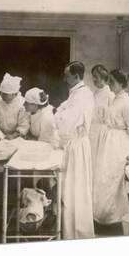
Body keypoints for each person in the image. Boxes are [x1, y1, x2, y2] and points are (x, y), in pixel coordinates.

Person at [93, 69, 129, 225]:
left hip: (119, 144)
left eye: (112, 82)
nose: (109, 84)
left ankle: (117, 218)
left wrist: (120, 140)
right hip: (110, 141)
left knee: (114, 180)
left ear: (121, 83)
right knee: (104, 178)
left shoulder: (127, 102)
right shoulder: (115, 99)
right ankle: (104, 217)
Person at [55, 61, 95, 239]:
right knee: (70, 190)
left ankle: (77, 234)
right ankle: (69, 231)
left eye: (67, 75)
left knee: (75, 190)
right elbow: (61, 110)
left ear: (77, 76)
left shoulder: (82, 96)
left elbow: (65, 122)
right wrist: (60, 113)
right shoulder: (76, 94)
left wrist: (58, 115)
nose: (64, 78)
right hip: (74, 145)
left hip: (77, 146)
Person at [89, 64, 114, 173]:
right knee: (91, 164)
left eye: (96, 77)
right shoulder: (94, 94)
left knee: (100, 165)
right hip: (92, 132)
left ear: (103, 77)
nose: (94, 79)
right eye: (93, 77)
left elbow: (112, 118)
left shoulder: (110, 95)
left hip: (103, 133)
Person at [0, 73, 29, 139]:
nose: (1, 95)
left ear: (14, 94)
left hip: (16, 137)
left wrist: (12, 136)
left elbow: (24, 126)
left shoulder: (22, 104)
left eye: (5, 94)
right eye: (1, 93)